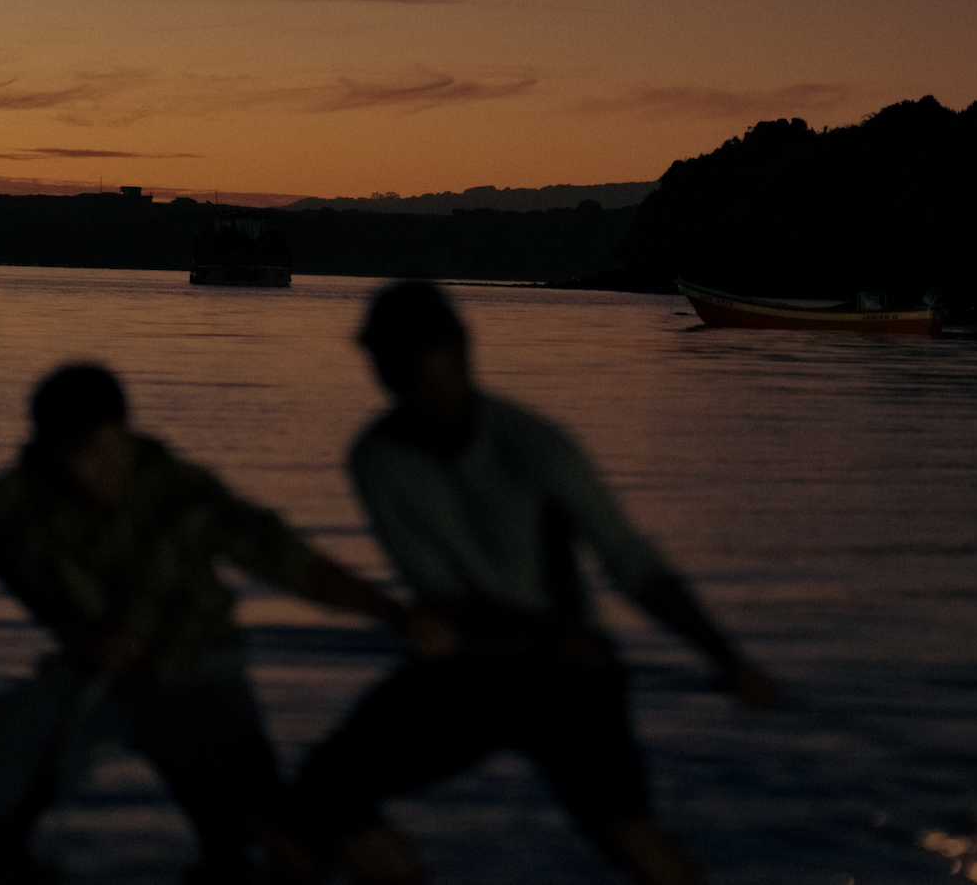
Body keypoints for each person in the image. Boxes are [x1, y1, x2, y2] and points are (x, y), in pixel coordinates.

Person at [294, 281, 777, 884]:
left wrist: (724, 656)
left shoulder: (533, 444)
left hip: (570, 678)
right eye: (398, 374)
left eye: (429, 373)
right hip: (471, 669)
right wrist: (546, 633)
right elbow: (444, 593)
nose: (419, 394)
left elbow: (630, 561)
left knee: (626, 834)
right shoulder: (376, 458)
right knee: (323, 792)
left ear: (462, 356)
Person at [0, 362, 441, 884]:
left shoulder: (180, 491)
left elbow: (283, 558)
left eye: (117, 445)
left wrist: (394, 613)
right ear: (49, 451)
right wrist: (84, 637)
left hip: (196, 676)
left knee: (286, 847)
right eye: (88, 453)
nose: (110, 465)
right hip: (97, 679)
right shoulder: (10, 505)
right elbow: (31, 584)